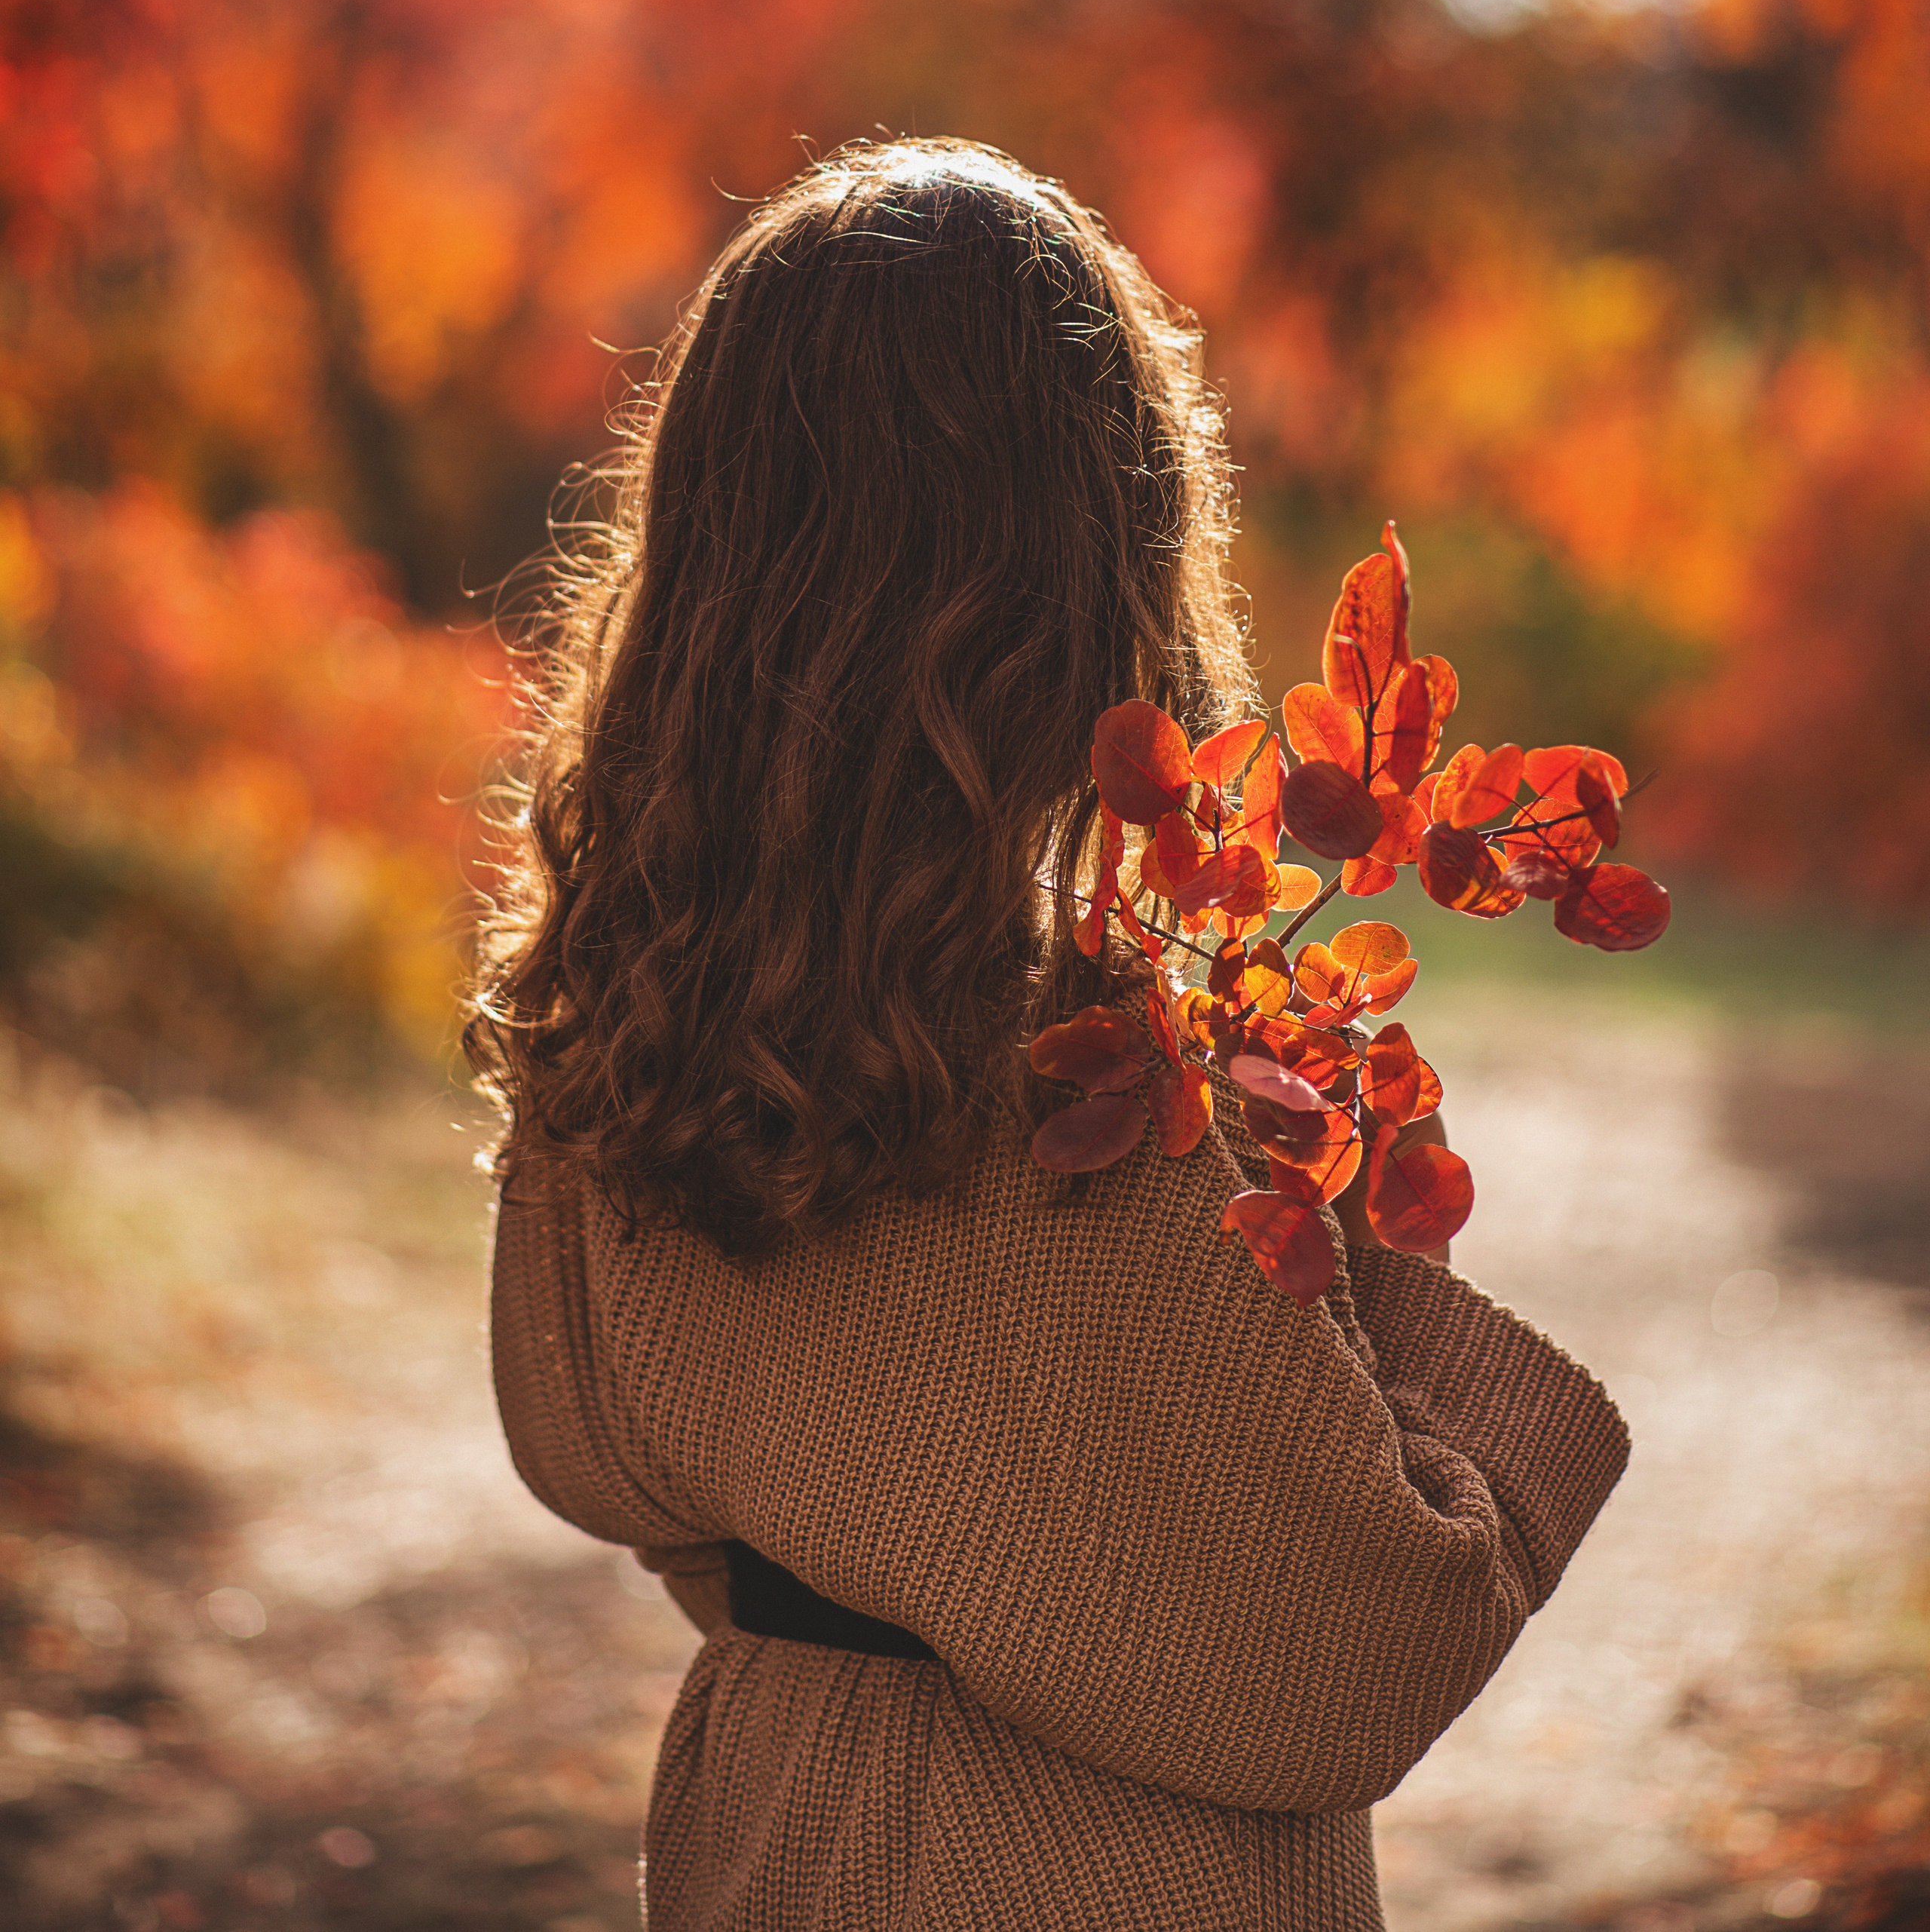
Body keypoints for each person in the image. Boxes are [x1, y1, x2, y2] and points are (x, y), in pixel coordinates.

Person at [470, 137, 1628, 1932]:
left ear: (704, 542)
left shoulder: (625, 1029)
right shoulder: (1072, 1094)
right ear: (1094, 549)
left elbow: (622, 1457)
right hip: (1088, 1876)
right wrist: (1355, 1300)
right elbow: (1341, 1644)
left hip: (775, 1823)